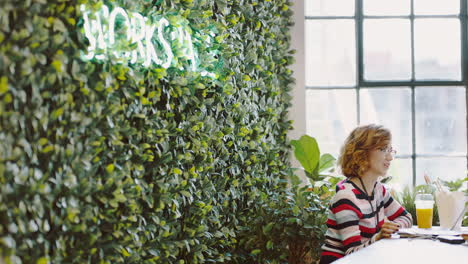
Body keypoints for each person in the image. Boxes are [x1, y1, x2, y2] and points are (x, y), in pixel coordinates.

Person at [319, 124, 413, 263]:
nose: (390, 157)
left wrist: (393, 228)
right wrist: (380, 236)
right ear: (361, 154)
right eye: (383, 149)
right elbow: (352, 254)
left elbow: (407, 217)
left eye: (390, 150)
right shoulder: (346, 197)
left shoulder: (378, 190)